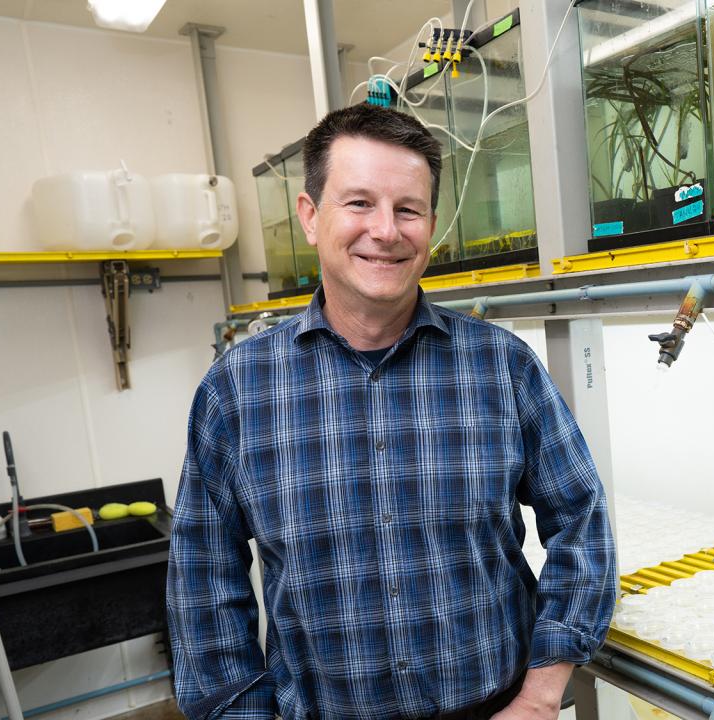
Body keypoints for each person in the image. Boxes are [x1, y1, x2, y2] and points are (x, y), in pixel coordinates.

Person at [167, 104, 618, 720]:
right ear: (309, 215)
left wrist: (541, 697)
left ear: (432, 222)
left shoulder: (502, 368)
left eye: (408, 209)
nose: (385, 231)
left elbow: (582, 523)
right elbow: (203, 584)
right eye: (358, 204)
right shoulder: (238, 390)